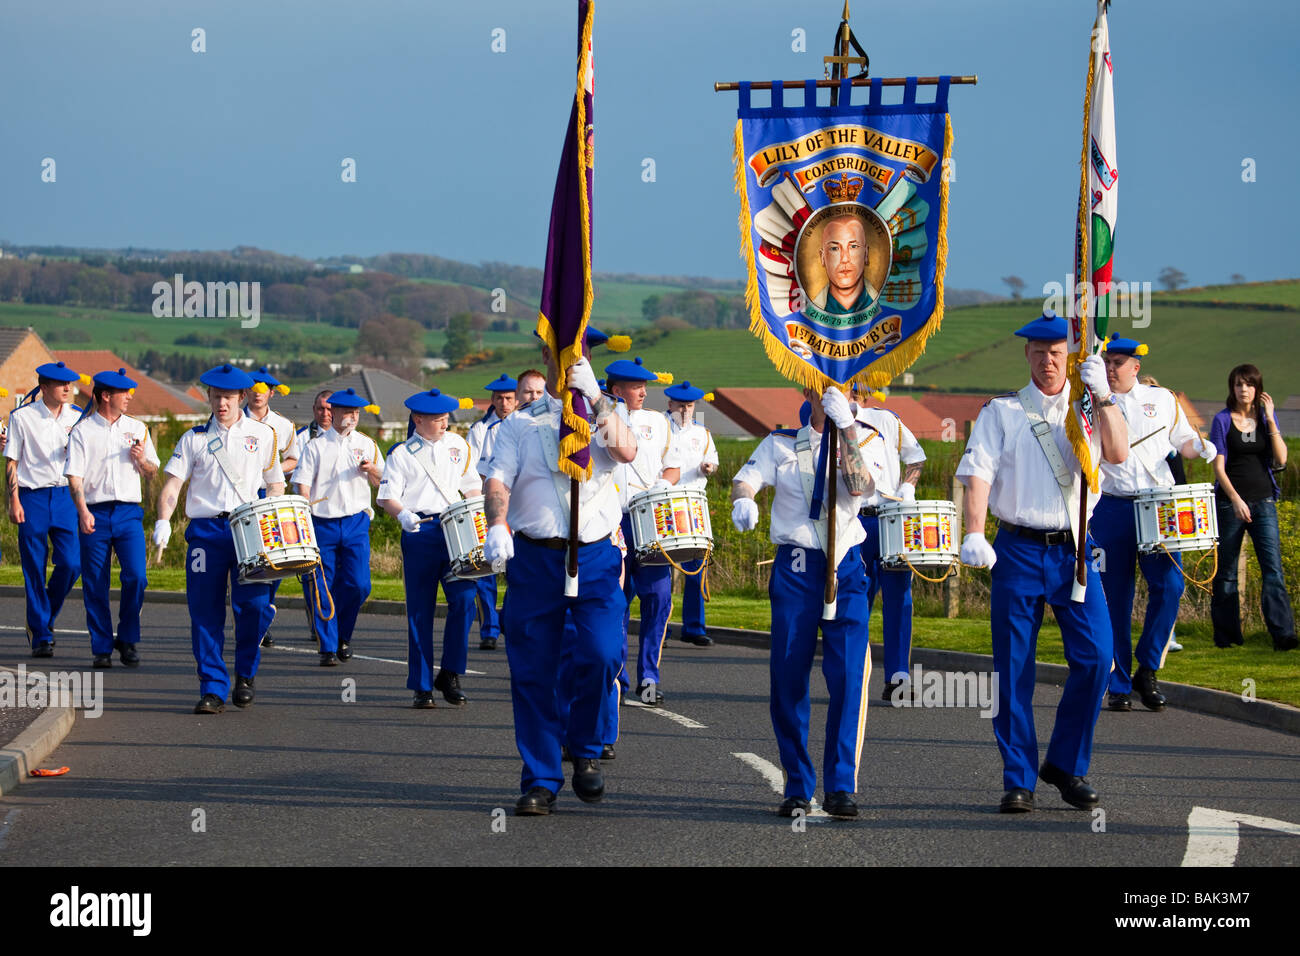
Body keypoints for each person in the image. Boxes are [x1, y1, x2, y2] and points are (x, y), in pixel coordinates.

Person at [955, 311, 1128, 813]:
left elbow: (1115, 454)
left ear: (1070, 357)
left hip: (1074, 549)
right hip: (1018, 547)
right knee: (1014, 668)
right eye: (1039, 352)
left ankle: (1066, 764)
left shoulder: (1090, 408)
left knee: (1098, 657)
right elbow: (979, 474)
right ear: (1027, 355)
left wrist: (1105, 396)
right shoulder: (1002, 412)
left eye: (1057, 353)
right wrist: (973, 531)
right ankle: (1019, 778)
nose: (1048, 361)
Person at [479, 343, 637, 815]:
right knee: (533, 671)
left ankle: (586, 748)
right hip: (536, 559)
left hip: (595, 558)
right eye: (560, 357)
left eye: (576, 359)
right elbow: (497, 481)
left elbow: (626, 451)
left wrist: (598, 398)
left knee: (602, 652)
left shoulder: (608, 416)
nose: (566, 366)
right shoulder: (519, 424)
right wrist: (496, 523)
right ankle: (542, 778)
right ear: (548, 363)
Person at [732, 385, 877, 818]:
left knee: (849, 675)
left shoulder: (868, 439)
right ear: (807, 389)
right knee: (789, 677)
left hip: (847, 568)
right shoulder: (779, 444)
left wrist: (847, 429)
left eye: (847, 386)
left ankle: (841, 785)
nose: (836, 391)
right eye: (825, 384)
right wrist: (744, 499)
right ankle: (797, 784)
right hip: (796, 569)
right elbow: (746, 477)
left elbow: (861, 488)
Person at [154, 364, 285, 713]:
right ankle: (212, 686)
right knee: (205, 611)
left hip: (250, 532)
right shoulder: (193, 438)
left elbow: (274, 483)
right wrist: (162, 520)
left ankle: (245, 673)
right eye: (215, 396)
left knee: (254, 608)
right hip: (206, 534)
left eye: (227, 397)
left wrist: (274, 513)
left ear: (241, 397)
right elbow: (173, 484)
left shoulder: (264, 435)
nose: (221, 403)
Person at [1092, 335, 1213, 711]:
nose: (1111, 369)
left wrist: (1202, 447)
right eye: (1107, 362)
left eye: (1118, 363)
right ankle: (1119, 682)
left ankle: (1148, 667)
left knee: (1170, 586)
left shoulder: (1162, 400)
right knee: (1116, 597)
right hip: (1112, 508)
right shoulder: (1091, 400)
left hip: (1159, 508)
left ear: (1136, 367)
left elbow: (1184, 441)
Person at [378, 388, 481, 707]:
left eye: (446, 418)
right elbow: (385, 496)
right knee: (420, 611)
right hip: (420, 531)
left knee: (464, 601)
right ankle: (421, 685)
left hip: (456, 530)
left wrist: (479, 516)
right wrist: (403, 514)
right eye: (437, 419)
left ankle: (450, 672)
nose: (443, 424)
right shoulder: (401, 454)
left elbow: (472, 486)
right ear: (417, 420)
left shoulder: (458, 446)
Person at [65, 369, 160, 668]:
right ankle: (102, 645)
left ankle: (128, 637)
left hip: (129, 513)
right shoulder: (82, 432)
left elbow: (153, 470)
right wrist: (83, 512)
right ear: (106, 395)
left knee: (137, 576)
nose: (130, 397)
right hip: (95, 510)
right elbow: (75, 477)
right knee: (95, 582)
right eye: (124, 392)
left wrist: (142, 461)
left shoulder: (138, 428)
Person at [605, 356, 682, 705]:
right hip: (611, 521)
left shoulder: (659, 423)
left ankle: (649, 677)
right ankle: (617, 675)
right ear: (616, 390)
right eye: (636, 387)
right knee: (615, 601)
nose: (643, 392)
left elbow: (673, 467)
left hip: (648, 520)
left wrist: (661, 488)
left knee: (658, 598)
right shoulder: (602, 419)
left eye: (644, 386)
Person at [1208, 364, 1297, 651]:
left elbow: (1281, 460)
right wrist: (1235, 499)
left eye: (1248, 384)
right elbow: (1218, 467)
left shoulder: (1264, 419)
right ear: (1231, 388)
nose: (1243, 389)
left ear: (1258, 389)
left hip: (1264, 502)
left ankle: (1283, 635)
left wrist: (1271, 420)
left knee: (1273, 569)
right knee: (1227, 572)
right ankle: (1227, 636)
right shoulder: (1222, 421)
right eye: (1238, 384)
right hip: (1229, 503)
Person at [294, 388, 384, 666]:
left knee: (359, 585)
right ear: (334, 412)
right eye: (348, 412)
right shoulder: (316, 446)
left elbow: (384, 481)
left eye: (356, 412)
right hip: (323, 522)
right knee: (322, 586)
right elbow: (302, 484)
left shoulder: (367, 443)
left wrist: (372, 471)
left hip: (356, 521)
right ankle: (328, 645)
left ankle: (343, 633)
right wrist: (304, 518)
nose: (353, 417)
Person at [848, 388, 926, 699]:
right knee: (856, 601)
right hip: (854, 520)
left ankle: (899, 678)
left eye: (854, 389)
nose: (851, 394)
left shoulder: (887, 420)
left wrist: (908, 485)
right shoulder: (827, 426)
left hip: (891, 519)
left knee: (899, 600)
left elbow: (916, 457)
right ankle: (854, 677)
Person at [6, 361, 87, 658]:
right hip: (32, 496)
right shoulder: (22, 417)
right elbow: (12, 461)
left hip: (66, 496)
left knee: (71, 563)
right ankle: (41, 634)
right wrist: (13, 500)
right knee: (34, 568)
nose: (68, 388)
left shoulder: (79, 417)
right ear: (44, 387)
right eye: (61, 384)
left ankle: (42, 618)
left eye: (70, 384)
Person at [245, 366, 299, 648]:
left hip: (272, 499)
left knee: (274, 562)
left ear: (272, 393)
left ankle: (263, 612)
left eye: (263, 389)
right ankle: (253, 618)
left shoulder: (284, 425)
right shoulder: (234, 419)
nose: (257, 394)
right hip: (243, 501)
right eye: (253, 389)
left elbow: (293, 459)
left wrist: (272, 468)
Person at [663, 381, 719, 646]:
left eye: (690, 405)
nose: (685, 410)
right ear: (670, 404)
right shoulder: (659, 429)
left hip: (694, 504)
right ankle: (659, 626)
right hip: (665, 502)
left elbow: (713, 462)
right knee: (660, 568)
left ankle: (694, 627)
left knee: (696, 568)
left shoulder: (702, 433)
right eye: (681, 405)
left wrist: (709, 468)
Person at [466, 374, 517, 652]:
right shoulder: (479, 430)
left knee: (517, 569)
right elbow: (471, 471)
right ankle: (489, 628)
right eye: (499, 397)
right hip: (489, 506)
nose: (504, 402)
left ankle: (508, 619)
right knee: (487, 569)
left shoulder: (526, 426)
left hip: (520, 507)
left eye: (509, 397)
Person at [816, 215, 878, 314]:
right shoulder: (806, 312)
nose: (844, 259)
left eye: (853, 246)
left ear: (866, 254)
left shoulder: (884, 305)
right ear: (822, 257)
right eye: (834, 248)